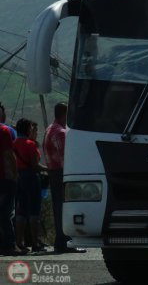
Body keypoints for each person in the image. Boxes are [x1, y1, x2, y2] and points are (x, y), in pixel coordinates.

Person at [43, 103, 85, 254]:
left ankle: (61, 242)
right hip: (61, 173)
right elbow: (66, 157)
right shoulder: (60, 132)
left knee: (58, 208)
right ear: (64, 114)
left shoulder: (50, 128)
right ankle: (65, 242)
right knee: (65, 208)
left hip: (53, 172)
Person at [13, 119, 47, 252]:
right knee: (34, 211)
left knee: (21, 210)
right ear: (27, 129)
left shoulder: (14, 143)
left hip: (18, 178)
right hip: (31, 178)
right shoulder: (30, 144)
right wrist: (48, 169)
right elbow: (35, 165)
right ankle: (35, 242)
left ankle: (19, 242)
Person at [0, 119, 25, 255]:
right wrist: (15, 174)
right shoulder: (3, 131)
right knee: (7, 211)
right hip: (5, 176)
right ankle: (9, 244)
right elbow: (8, 154)